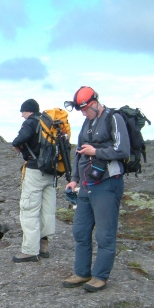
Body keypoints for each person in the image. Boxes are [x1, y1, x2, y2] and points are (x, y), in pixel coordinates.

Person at [62, 86, 130, 292]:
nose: (83, 113)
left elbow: (123, 149)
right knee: (80, 231)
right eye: (81, 110)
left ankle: (100, 276)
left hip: (108, 183)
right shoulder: (87, 122)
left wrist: (96, 151)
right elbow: (79, 153)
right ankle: (82, 273)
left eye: (85, 109)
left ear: (93, 103)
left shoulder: (114, 118)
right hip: (85, 185)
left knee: (104, 234)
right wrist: (74, 179)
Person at [11, 99, 56, 263]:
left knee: (29, 209)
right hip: (51, 171)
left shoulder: (30, 122)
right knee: (48, 210)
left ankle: (30, 250)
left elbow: (19, 139)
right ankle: (44, 247)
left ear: (28, 110)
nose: (22, 115)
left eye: (22, 112)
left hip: (35, 170)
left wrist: (16, 145)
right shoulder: (49, 122)